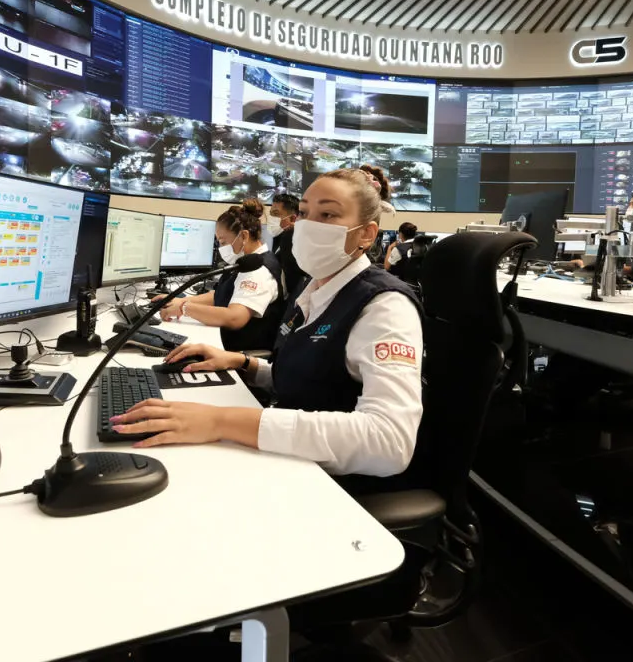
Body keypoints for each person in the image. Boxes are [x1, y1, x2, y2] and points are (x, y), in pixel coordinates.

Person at [114, 169, 423, 492]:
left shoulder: (385, 306)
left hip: (334, 486)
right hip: (292, 459)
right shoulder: (313, 288)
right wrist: (243, 364)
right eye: (304, 213)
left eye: (328, 214)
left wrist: (222, 421)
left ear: (366, 234)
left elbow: (390, 443)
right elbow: (309, 379)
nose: (307, 225)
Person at [158, 198, 285, 353]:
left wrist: (185, 308)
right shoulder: (246, 261)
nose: (221, 248)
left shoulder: (258, 271)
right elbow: (221, 295)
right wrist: (179, 301)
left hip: (240, 352)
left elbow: (235, 318)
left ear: (244, 236)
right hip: (224, 341)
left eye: (223, 242)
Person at [267, 192, 306, 297]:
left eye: (276, 214)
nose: (271, 218)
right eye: (270, 214)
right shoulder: (281, 237)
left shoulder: (292, 237)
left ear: (293, 218)